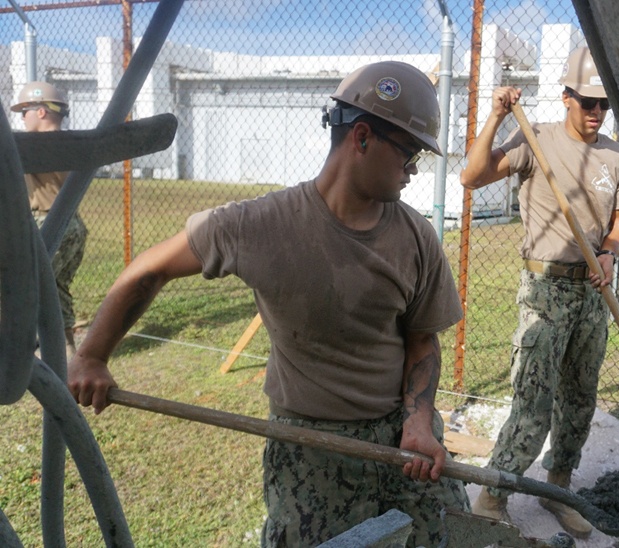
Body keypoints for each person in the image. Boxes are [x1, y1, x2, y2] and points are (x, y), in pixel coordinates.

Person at [68, 61, 470, 547]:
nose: (413, 171)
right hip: (309, 447)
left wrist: (419, 419)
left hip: (403, 438)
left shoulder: (416, 237)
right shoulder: (258, 225)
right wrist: (92, 356)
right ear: (361, 138)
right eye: (409, 155)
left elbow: (421, 339)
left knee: (450, 536)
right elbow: (148, 270)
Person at [459, 46, 619, 538]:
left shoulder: (617, 157)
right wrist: (495, 116)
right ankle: (494, 494)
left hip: (592, 295)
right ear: (566, 97)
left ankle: (558, 489)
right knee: (532, 402)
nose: (596, 113)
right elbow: (471, 177)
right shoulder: (534, 138)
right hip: (544, 290)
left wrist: (609, 253)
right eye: (587, 102)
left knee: (580, 399)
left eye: (603, 105)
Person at [11, 81, 87, 357]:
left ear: (41, 112)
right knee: (56, 288)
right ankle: (66, 350)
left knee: (25, 287)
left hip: (47, 225)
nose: (21, 118)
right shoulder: (73, 143)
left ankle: (23, 351)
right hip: (74, 226)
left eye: (25, 111)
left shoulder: (33, 146)